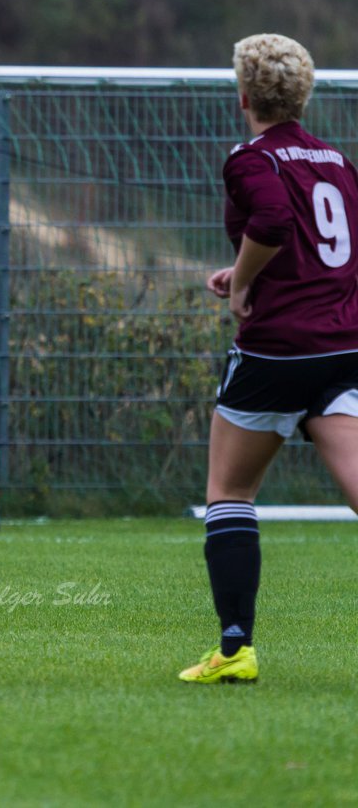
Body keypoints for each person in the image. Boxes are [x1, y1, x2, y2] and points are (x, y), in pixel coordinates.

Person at [180, 34, 358, 684]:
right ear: (302, 94)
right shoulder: (335, 158)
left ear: (245, 95)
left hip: (280, 346)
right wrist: (247, 268)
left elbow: (276, 221)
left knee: (230, 491)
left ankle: (235, 651)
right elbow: (320, 244)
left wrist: (248, 284)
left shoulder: (250, 157)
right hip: (344, 342)